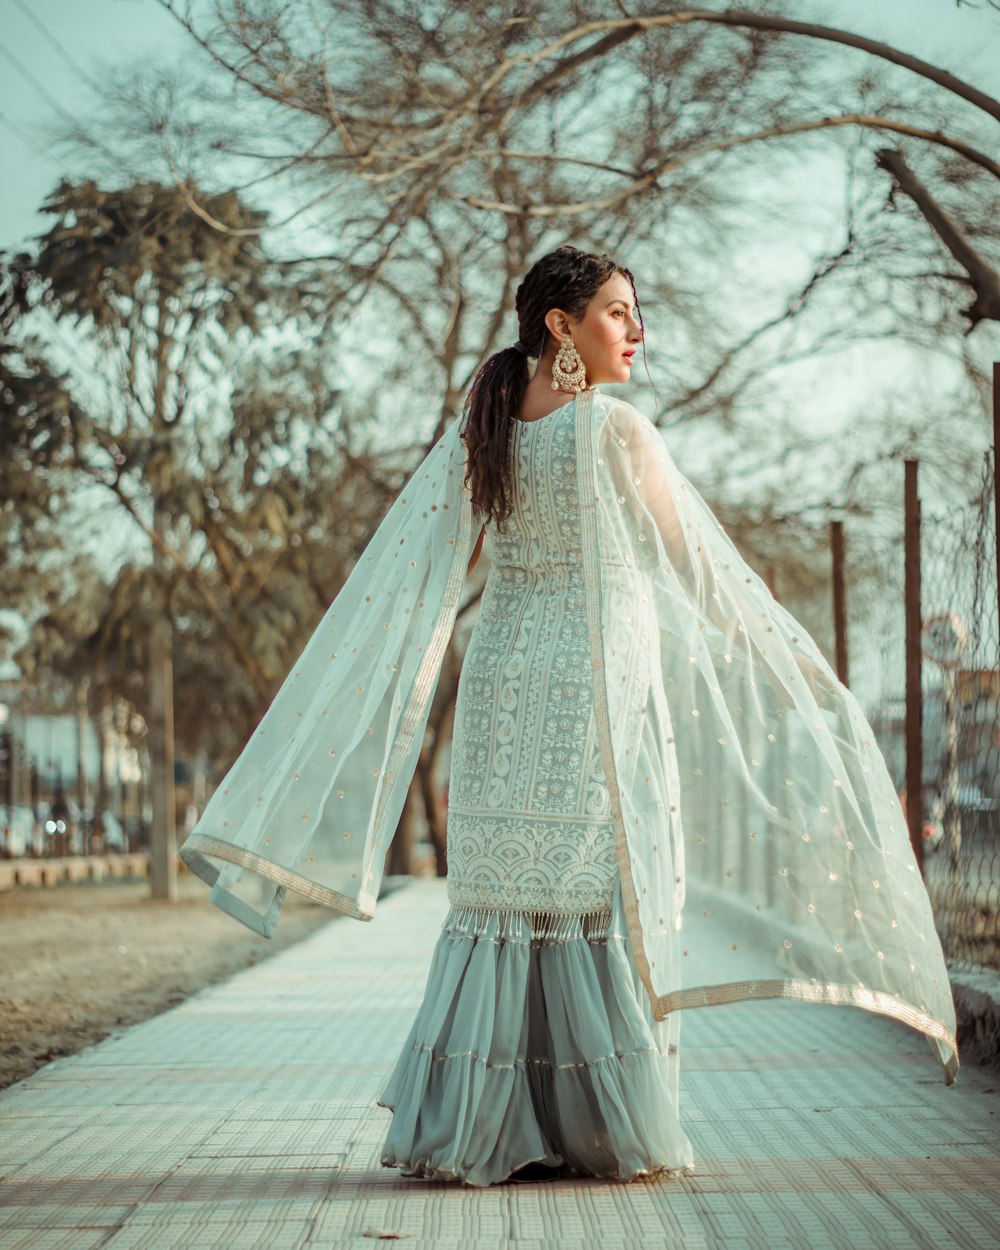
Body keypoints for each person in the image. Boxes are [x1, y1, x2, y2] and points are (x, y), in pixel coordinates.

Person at [178, 244, 958, 1189]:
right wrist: (796, 671)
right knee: (586, 892)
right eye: (620, 312)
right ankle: (594, 1126)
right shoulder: (617, 432)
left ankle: (478, 1126)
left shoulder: (488, 428)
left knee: (508, 895)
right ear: (562, 325)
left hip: (503, 682)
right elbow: (698, 574)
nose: (638, 332)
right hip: (592, 689)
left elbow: (420, 579)